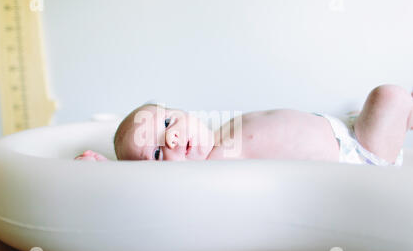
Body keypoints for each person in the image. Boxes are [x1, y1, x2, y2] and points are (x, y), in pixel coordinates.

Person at [76, 84, 413, 166]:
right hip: (358, 157)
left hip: (342, 127)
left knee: (391, 108)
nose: (174, 136)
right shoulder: (213, 168)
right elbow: (140, 194)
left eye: (167, 122)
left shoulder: (221, 131)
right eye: (158, 153)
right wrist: (107, 170)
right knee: (389, 97)